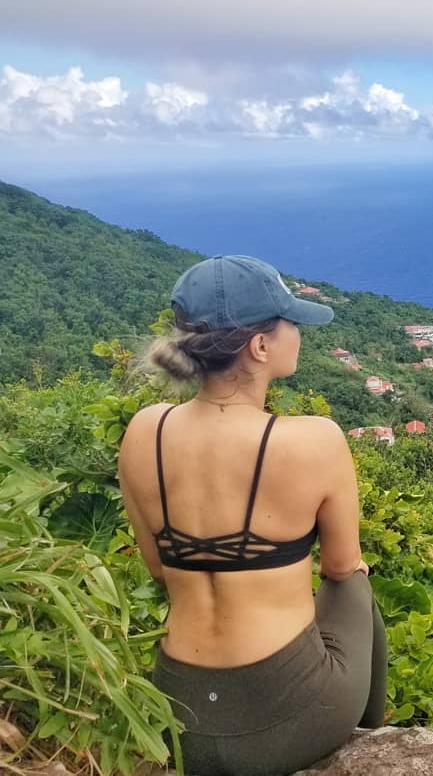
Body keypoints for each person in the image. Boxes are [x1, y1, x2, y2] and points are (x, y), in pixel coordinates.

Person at [118, 255, 387, 776]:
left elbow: (158, 569)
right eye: (289, 323)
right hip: (293, 718)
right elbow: (339, 567)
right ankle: (371, 744)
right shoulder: (315, 440)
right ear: (260, 345)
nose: (297, 334)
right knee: (355, 583)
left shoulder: (143, 433)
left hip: (180, 718)